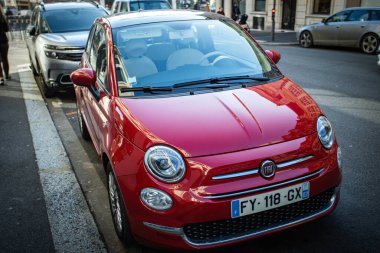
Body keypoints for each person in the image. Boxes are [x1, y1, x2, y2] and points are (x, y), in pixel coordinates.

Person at [0, 6, 10, 85]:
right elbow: (7, 29)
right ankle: (6, 75)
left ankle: (1, 78)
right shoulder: (2, 17)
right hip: (3, 41)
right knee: (4, 59)